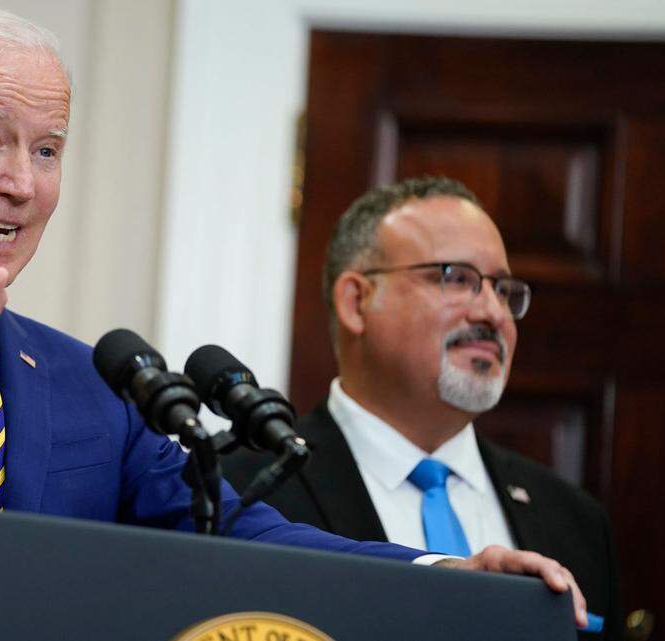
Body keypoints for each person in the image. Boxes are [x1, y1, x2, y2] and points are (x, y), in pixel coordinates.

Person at [0, 10, 589, 640]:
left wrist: (451, 569)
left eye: (47, 149)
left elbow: (245, 535)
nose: (21, 180)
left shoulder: (92, 379)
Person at [223, 176, 620, 640]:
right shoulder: (240, 490)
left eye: (502, 288)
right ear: (357, 301)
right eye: (457, 279)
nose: (493, 312)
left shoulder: (575, 520)